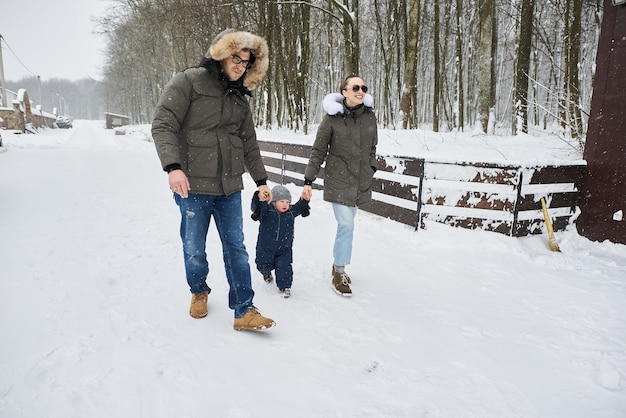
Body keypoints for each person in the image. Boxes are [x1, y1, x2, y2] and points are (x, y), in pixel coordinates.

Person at [151, 29, 276, 331]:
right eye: (236, 58)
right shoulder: (189, 81)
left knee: (236, 248)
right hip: (193, 185)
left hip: (230, 186)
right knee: (194, 248)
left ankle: (244, 309)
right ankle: (198, 290)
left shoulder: (240, 96)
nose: (240, 66)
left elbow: (248, 142)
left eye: (246, 63)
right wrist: (173, 167)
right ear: (221, 54)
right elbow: (163, 124)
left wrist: (261, 179)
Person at [301, 75, 378, 296]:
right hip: (339, 180)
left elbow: (373, 147)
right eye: (355, 87)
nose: (360, 90)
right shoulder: (332, 119)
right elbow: (318, 151)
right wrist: (309, 180)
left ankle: (337, 264)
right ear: (344, 91)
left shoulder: (370, 118)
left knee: (348, 224)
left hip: (360, 181)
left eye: (363, 87)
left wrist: (371, 167)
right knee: (347, 225)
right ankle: (340, 271)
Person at [250, 184, 310, 298]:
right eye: (282, 201)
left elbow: (299, 207)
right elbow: (256, 209)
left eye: (287, 202)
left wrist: (304, 199)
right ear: (274, 201)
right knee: (263, 264)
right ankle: (266, 273)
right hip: (266, 246)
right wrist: (260, 199)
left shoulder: (290, 212)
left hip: (284, 248)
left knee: (284, 266)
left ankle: (284, 286)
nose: (285, 204)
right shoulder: (267, 211)